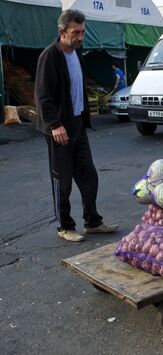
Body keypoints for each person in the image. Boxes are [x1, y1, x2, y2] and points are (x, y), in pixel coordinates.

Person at [35, 10, 118, 242]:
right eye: (76, 32)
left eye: (83, 32)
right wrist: (54, 124)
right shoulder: (49, 56)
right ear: (62, 32)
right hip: (59, 128)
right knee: (62, 180)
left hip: (78, 124)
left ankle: (92, 222)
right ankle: (64, 226)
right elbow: (42, 95)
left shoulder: (76, 53)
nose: (81, 36)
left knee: (88, 175)